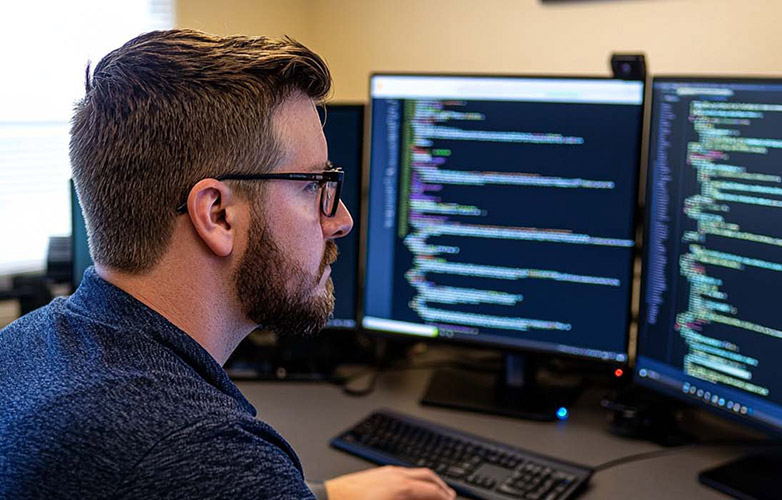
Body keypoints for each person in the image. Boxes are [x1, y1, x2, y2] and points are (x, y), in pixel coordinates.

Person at [0, 29, 455, 500]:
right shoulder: (201, 452)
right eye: (314, 184)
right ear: (217, 214)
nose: (341, 219)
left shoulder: (22, 348)